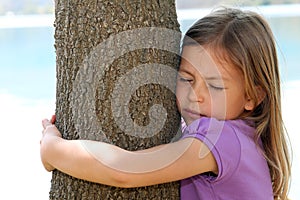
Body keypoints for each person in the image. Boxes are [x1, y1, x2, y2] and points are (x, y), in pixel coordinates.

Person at [40, 7, 291, 199]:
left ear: (253, 96)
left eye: (215, 86)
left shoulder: (224, 139)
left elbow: (123, 170)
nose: (195, 95)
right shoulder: (246, 138)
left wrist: (52, 149)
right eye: (186, 78)